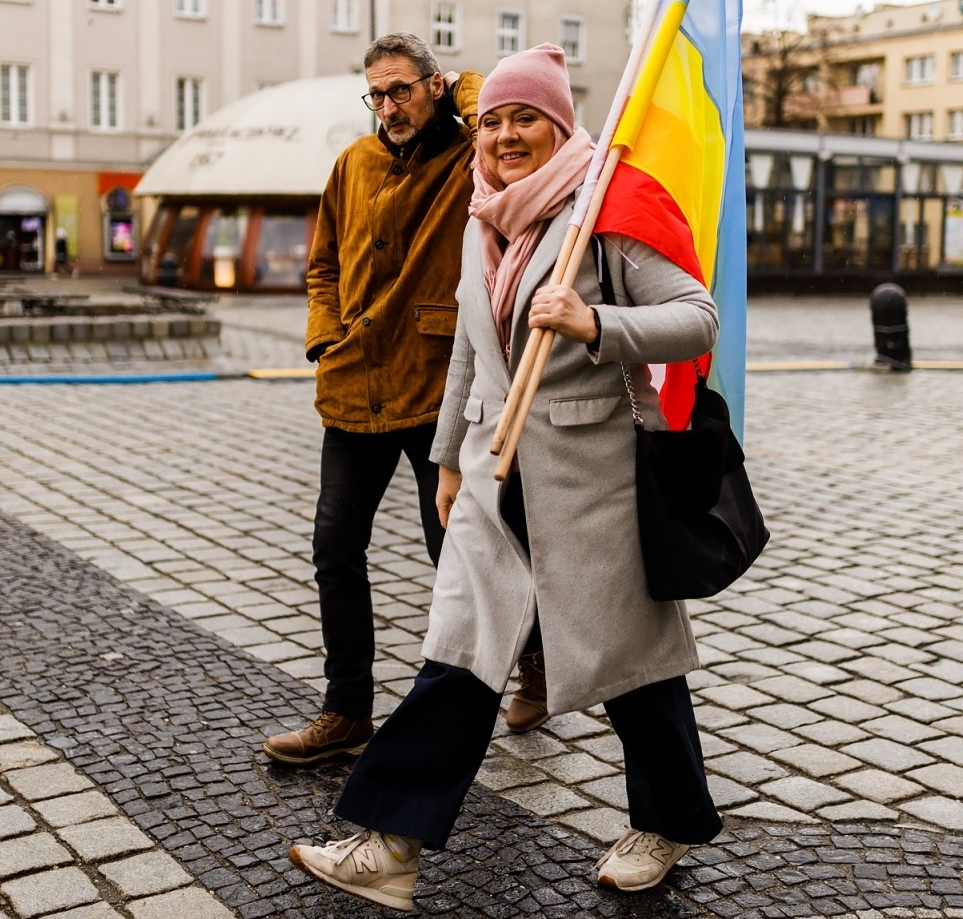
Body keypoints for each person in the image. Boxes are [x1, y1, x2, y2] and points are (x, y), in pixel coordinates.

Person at [288, 44, 723, 910]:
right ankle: (391, 845)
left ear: (560, 124)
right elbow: (467, 353)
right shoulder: (484, 218)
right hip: (495, 471)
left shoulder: (605, 207)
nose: (505, 135)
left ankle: (666, 822)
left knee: (631, 665)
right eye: (493, 122)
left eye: (526, 118)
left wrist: (597, 321)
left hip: (592, 476)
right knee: (458, 657)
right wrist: (450, 457)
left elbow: (694, 314)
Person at [263, 34, 519, 765]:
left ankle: (513, 665)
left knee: (456, 554)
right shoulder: (354, 162)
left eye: (402, 89)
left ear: (433, 87)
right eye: (376, 94)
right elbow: (323, 266)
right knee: (334, 549)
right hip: (354, 384)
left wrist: (462, 85)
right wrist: (325, 339)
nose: (388, 106)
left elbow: (496, 119)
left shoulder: (469, 156)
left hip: (436, 385)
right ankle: (346, 711)